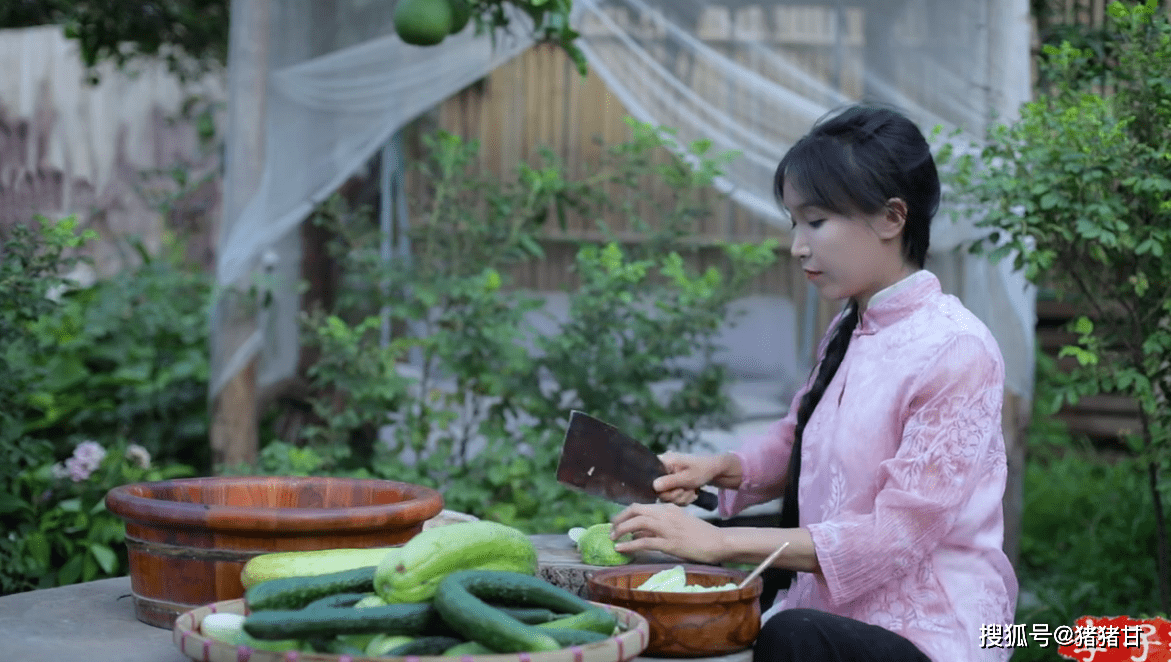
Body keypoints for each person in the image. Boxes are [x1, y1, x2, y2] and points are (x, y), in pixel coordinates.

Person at [608, 105, 1019, 662]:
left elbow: (896, 536)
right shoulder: (850, 327)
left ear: (892, 217)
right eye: (793, 223)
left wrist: (719, 541)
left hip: (932, 633)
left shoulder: (956, 351)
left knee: (791, 635)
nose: (799, 245)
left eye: (817, 221)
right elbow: (796, 442)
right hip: (830, 614)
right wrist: (715, 468)